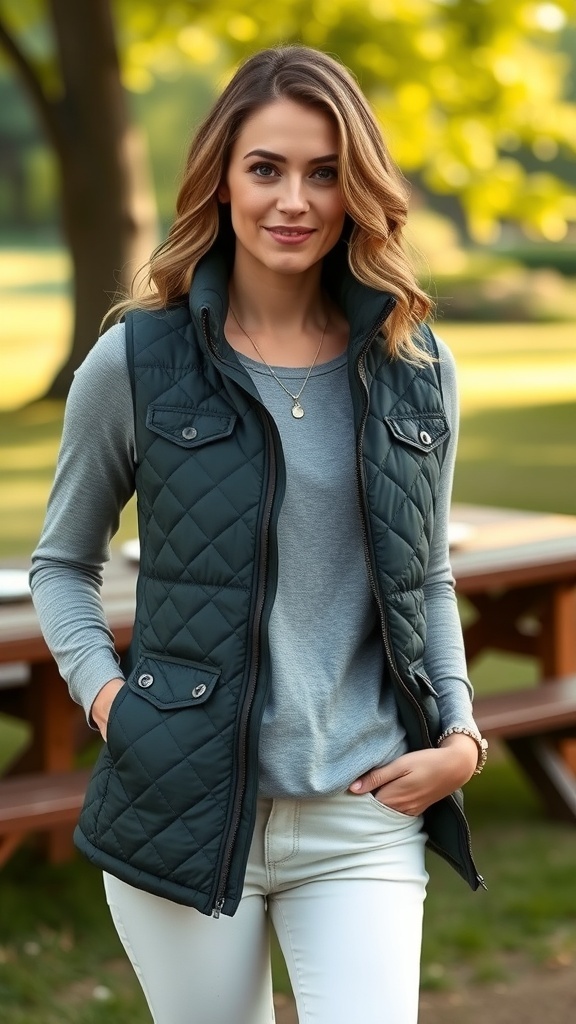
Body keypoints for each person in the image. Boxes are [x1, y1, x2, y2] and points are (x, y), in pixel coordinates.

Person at [30, 44, 487, 1024]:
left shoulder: (418, 366)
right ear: (223, 180)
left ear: (357, 186)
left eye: (325, 172)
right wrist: (113, 704)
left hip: (361, 814)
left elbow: (430, 574)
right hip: (184, 808)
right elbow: (63, 563)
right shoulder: (137, 360)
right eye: (267, 168)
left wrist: (461, 734)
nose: (296, 200)